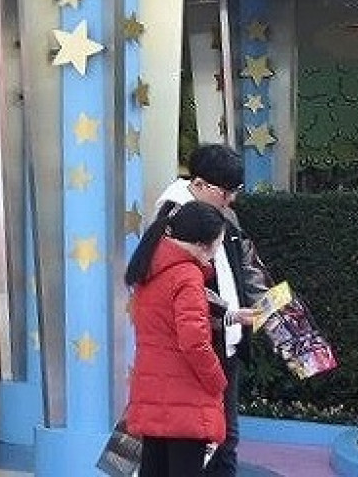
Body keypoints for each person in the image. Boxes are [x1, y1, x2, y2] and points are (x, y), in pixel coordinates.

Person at [152, 144, 271, 477]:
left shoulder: (224, 216)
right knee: (197, 443)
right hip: (194, 353)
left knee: (224, 437)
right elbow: (181, 293)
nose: (230, 200)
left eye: (235, 191)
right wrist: (215, 372)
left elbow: (248, 266)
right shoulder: (173, 219)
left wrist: (273, 313)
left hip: (223, 344)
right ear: (200, 184)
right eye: (225, 192)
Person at [123, 200, 230, 477]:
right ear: (202, 244)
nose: (216, 253)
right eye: (218, 245)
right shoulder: (187, 275)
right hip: (187, 397)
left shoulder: (150, 269)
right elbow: (194, 342)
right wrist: (217, 380)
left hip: (152, 390)